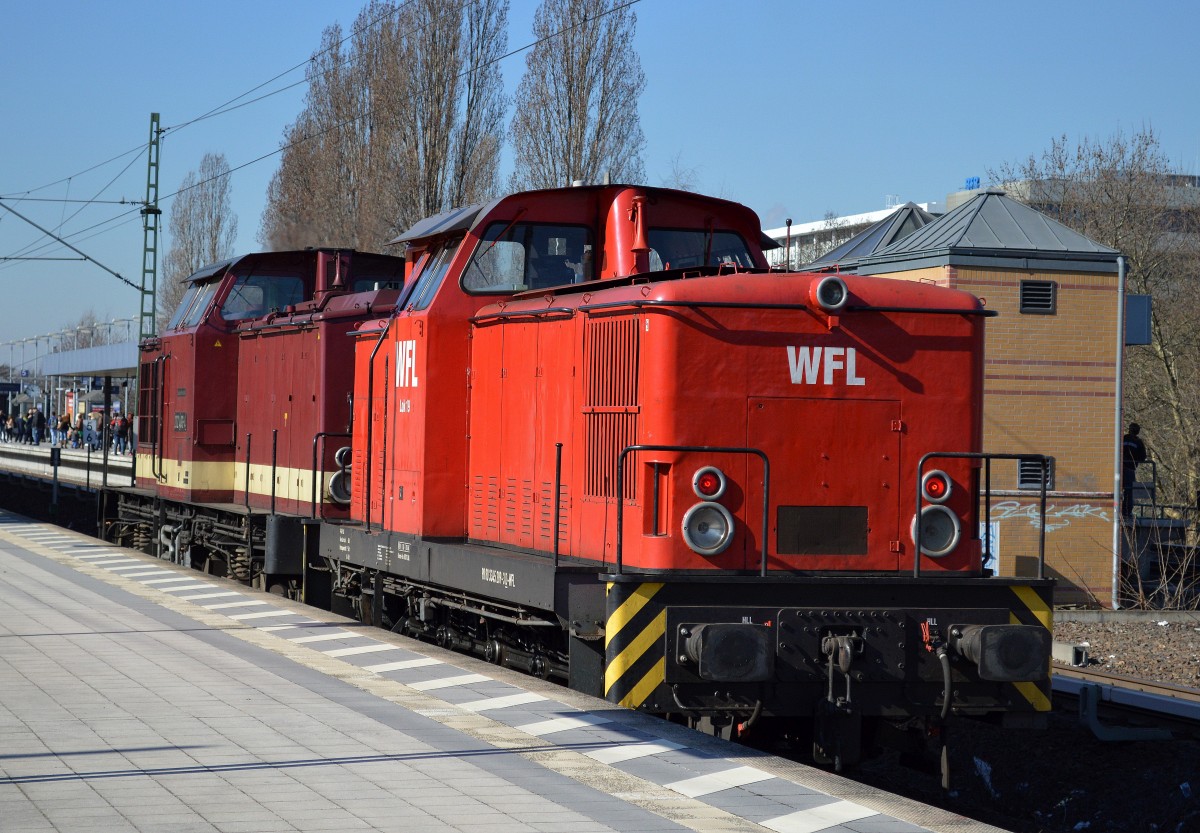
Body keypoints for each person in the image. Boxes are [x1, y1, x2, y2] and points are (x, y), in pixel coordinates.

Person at [1122, 422, 1147, 518]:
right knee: (1129, 490)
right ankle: (1126, 512)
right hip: (1129, 469)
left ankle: (1119, 510)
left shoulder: (1123, 438)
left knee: (1119, 488)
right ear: (1138, 431)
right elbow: (1142, 457)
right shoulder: (1138, 442)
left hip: (1118, 469)